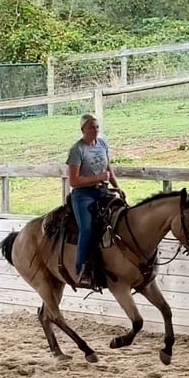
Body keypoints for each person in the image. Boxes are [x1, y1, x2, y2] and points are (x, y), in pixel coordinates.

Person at [65, 113, 125, 286]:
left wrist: (117, 186)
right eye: (91, 127)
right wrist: (98, 177)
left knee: (120, 218)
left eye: (97, 127)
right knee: (87, 229)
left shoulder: (102, 144)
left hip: (102, 191)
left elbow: (108, 169)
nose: (95, 130)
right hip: (83, 194)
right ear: (83, 129)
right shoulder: (77, 150)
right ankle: (81, 268)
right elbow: (74, 181)